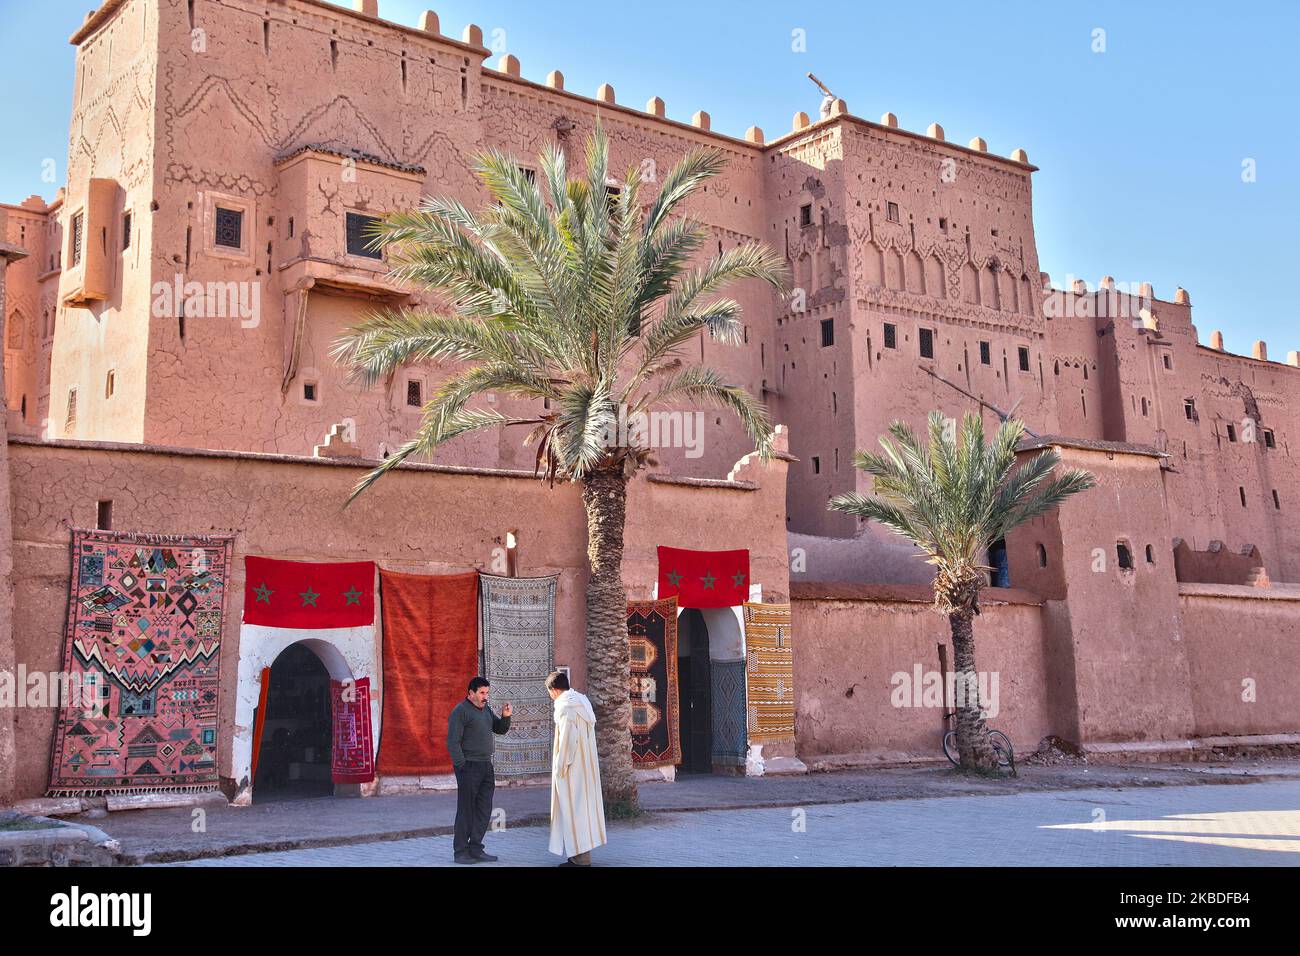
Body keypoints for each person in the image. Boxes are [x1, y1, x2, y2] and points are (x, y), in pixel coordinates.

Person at [447, 676, 511, 864]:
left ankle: (475, 848)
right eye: (482, 693)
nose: (485, 697)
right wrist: (462, 766)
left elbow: (499, 729)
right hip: (469, 766)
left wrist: (506, 716)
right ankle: (460, 852)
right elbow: (452, 742)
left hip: (485, 765)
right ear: (471, 693)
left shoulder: (486, 710)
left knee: (484, 809)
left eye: (487, 693)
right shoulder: (460, 711)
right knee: (466, 810)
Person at [545, 670, 606, 867]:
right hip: (586, 766)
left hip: (573, 769)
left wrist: (560, 767)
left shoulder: (565, 705)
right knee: (582, 810)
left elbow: (567, 741)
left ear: (554, 691)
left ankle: (580, 860)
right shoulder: (582, 700)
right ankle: (577, 856)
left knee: (573, 811)